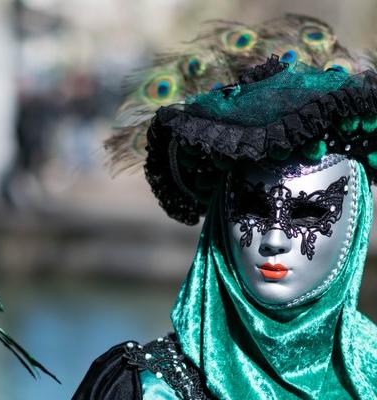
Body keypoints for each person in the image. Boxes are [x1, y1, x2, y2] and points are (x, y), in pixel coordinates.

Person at [73, 18, 377, 400]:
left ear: (356, 220)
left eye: (308, 213)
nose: (275, 240)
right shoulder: (148, 390)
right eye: (252, 208)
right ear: (221, 216)